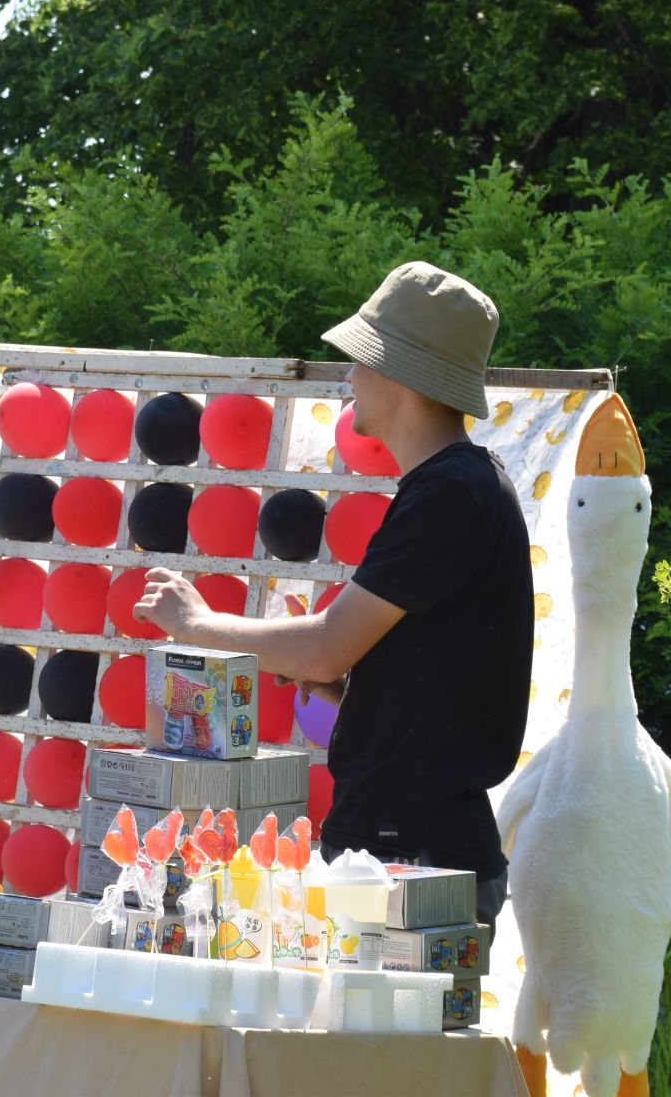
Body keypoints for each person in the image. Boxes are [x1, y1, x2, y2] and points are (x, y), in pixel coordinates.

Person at [136, 260, 532, 931]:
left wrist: (197, 622)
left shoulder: (450, 493)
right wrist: (346, 688)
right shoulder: (457, 487)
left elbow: (324, 647)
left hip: (413, 858)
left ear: (402, 376)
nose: (350, 378)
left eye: (362, 359)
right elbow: (428, 685)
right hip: (404, 848)